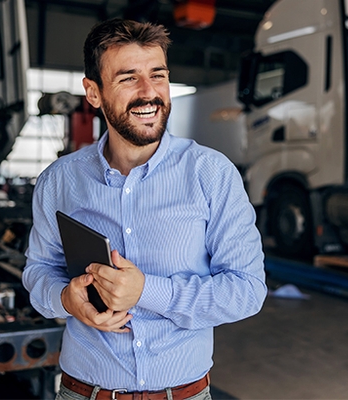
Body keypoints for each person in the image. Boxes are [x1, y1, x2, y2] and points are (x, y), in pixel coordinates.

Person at [22, 18, 267, 400]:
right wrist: (65, 298)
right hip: (84, 392)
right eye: (128, 78)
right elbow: (38, 271)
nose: (149, 93)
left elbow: (247, 290)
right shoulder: (60, 180)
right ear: (93, 92)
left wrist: (146, 291)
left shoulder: (211, 174)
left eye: (158, 75)